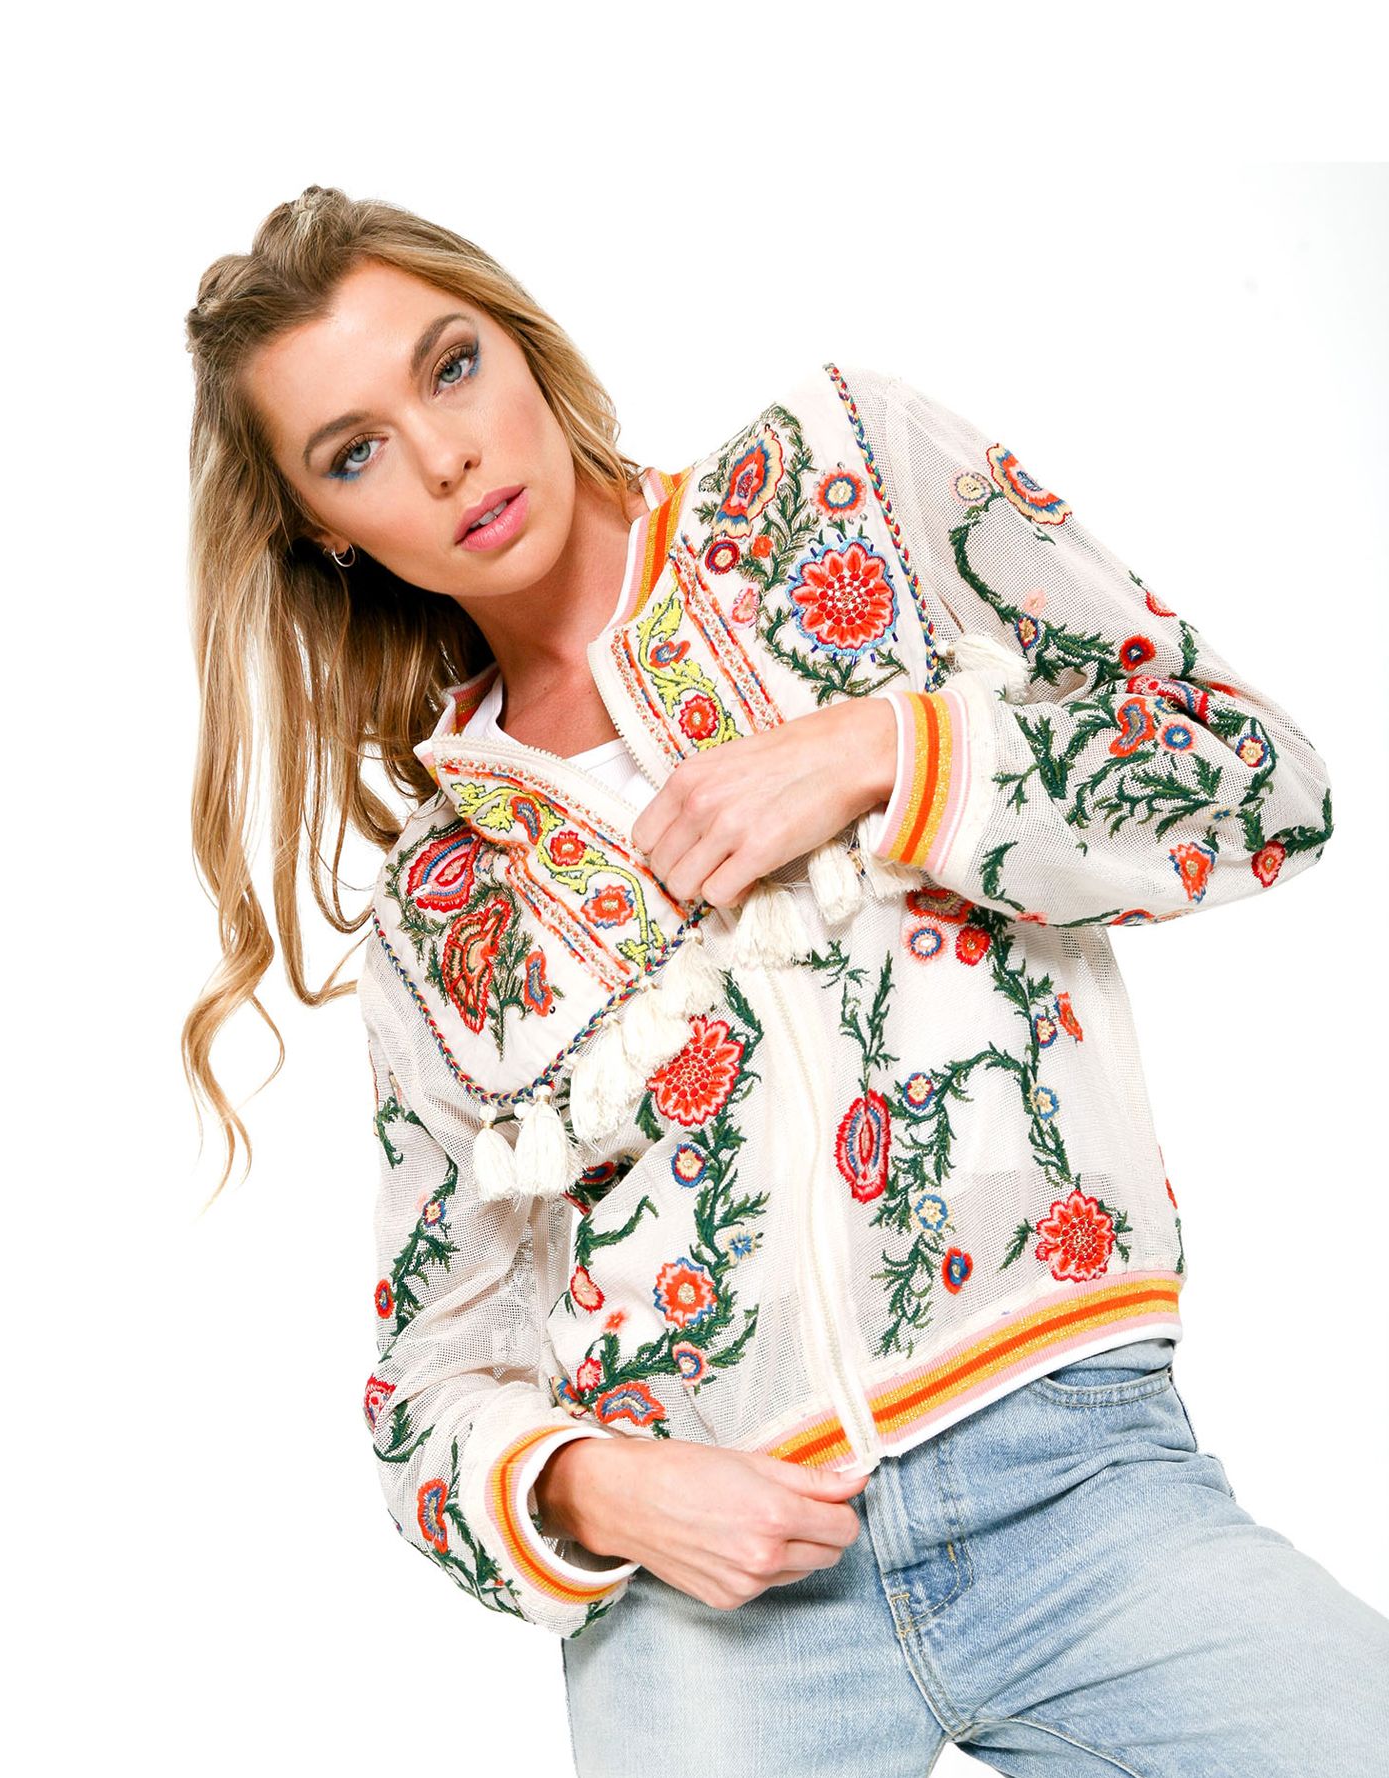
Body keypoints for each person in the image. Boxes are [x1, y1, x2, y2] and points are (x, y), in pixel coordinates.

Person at [179, 185, 1389, 1775]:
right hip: (717, 1602)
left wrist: (887, 746)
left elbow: (1255, 784)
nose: (447, 456)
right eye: (355, 452)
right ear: (325, 528)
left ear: (521, 344)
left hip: (1080, 1479)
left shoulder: (847, 481)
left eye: (451, 365)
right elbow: (431, 1380)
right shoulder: (442, 903)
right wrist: (597, 1486)